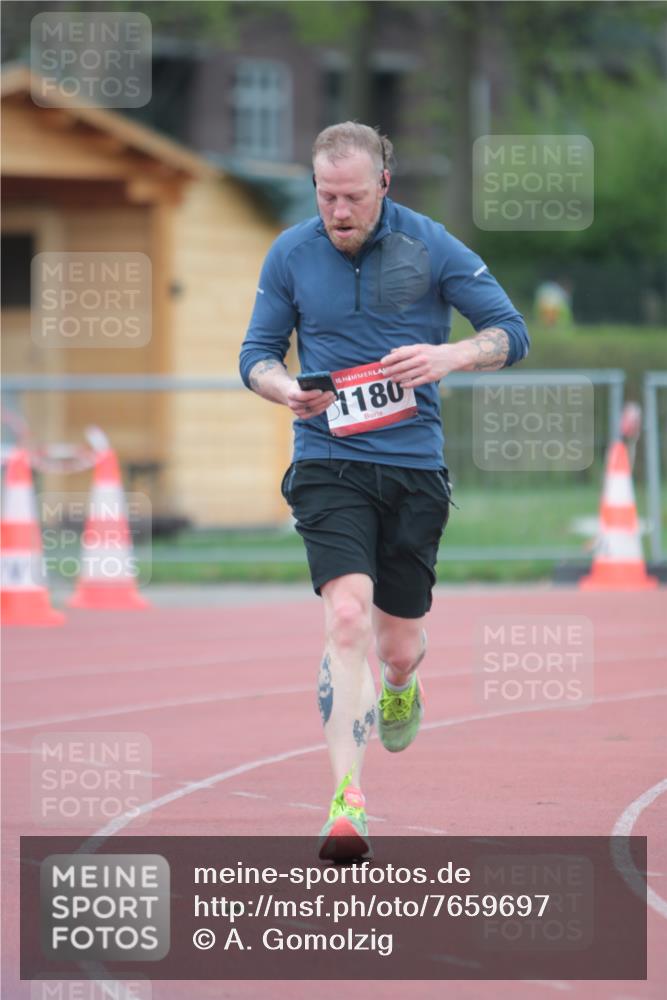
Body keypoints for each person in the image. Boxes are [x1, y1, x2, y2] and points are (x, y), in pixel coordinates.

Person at [239, 122, 529, 861]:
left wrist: (450, 354)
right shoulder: (291, 253)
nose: (338, 211)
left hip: (412, 471)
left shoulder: (430, 245)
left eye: (353, 197)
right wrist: (282, 389)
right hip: (327, 461)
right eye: (325, 195)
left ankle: (399, 683)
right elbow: (256, 354)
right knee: (344, 617)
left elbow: (508, 332)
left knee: (397, 645)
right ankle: (346, 800)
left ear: (384, 188)